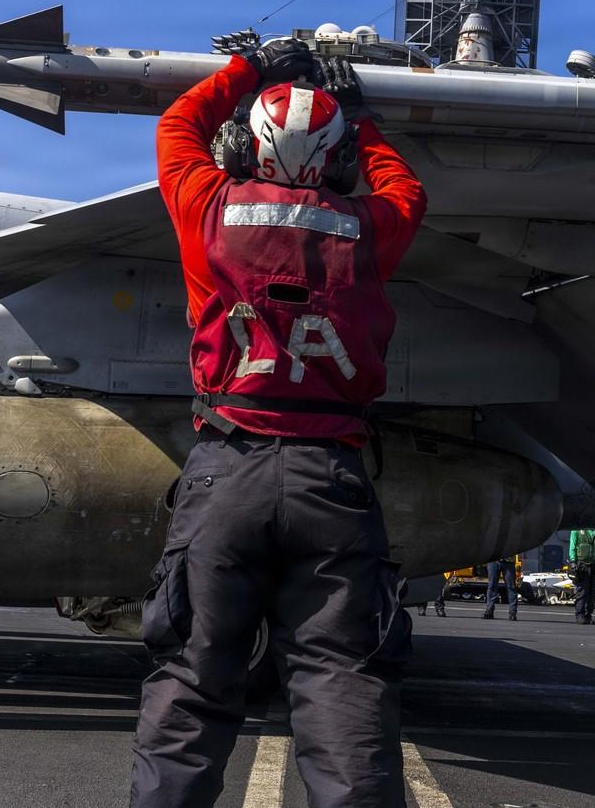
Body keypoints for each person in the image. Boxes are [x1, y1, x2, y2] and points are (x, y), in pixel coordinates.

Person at [130, 39, 427, 808]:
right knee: (343, 688)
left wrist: (247, 72)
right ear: (334, 160)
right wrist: (357, 117)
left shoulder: (207, 208)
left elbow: (176, 128)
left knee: (193, 686)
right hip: (332, 478)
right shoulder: (370, 228)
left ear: (248, 145)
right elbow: (404, 188)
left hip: (227, 468)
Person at [569, 529, 595, 625]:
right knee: (582, 591)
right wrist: (573, 561)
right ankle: (580, 615)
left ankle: (588, 615)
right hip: (582, 566)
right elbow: (572, 546)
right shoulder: (576, 530)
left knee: (593, 591)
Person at [482, 556, 519, 621]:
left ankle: (512, 612)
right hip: (493, 560)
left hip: (508, 561)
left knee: (511, 586)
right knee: (492, 586)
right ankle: (489, 610)